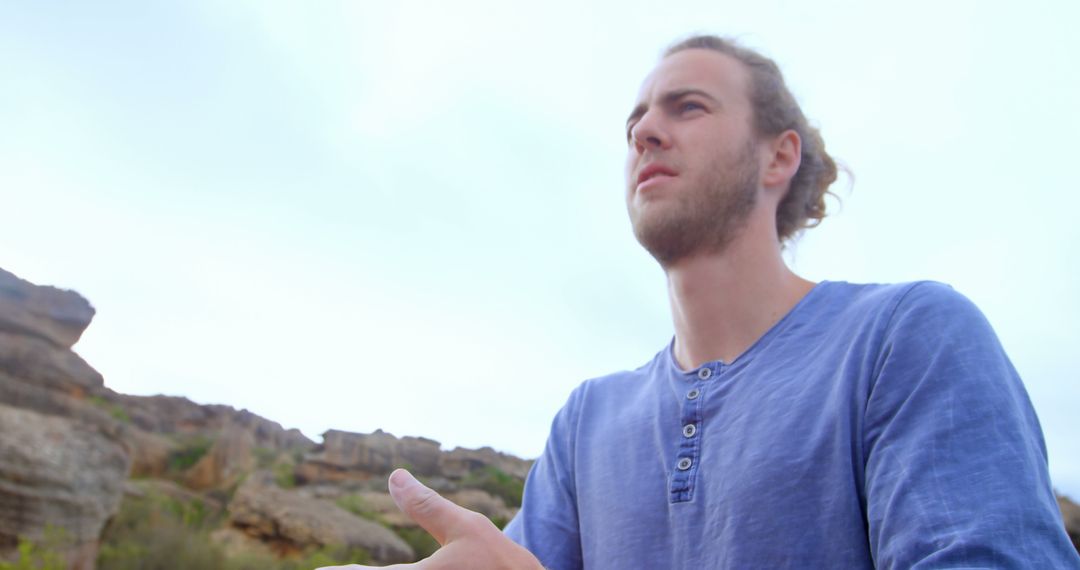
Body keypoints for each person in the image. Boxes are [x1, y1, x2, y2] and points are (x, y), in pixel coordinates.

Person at [321, 35, 1080, 569]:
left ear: (778, 155)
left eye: (687, 107)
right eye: (635, 121)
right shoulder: (586, 423)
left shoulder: (906, 340)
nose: (645, 132)